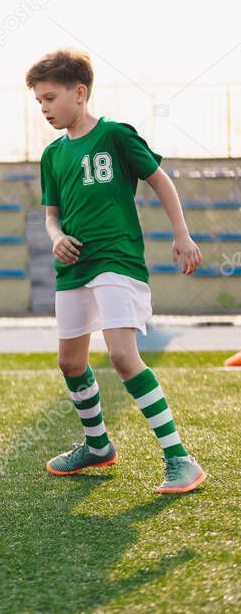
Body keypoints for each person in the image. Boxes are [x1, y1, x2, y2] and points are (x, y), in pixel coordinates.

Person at [26, 49, 205, 493]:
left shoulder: (115, 135)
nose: (45, 109)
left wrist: (181, 234)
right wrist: (55, 237)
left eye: (50, 98)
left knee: (123, 356)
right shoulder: (52, 156)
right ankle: (98, 445)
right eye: (39, 102)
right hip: (74, 268)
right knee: (70, 362)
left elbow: (161, 180)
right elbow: (51, 215)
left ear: (80, 92)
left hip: (116, 260)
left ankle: (180, 458)